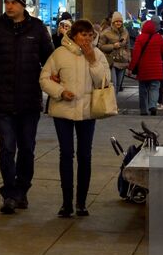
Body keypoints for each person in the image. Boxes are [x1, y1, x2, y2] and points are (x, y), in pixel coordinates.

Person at [0, 0, 54, 214]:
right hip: (4, 99)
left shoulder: (37, 29)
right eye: (7, 2)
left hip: (29, 100)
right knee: (7, 148)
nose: (9, 6)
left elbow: (50, 62)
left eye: (14, 2)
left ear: (22, 6)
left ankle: (22, 190)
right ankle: (9, 193)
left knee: (27, 148)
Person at [39, 18, 110, 217]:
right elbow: (44, 78)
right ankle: (66, 203)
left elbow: (104, 81)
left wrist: (92, 60)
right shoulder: (59, 54)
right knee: (66, 154)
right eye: (83, 35)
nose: (87, 39)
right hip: (63, 110)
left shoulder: (97, 54)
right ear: (74, 35)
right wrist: (60, 91)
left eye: (90, 35)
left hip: (88, 111)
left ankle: (81, 202)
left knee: (85, 155)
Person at [130, 18, 163, 116]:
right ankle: (153, 106)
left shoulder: (140, 38)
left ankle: (143, 110)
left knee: (143, 89)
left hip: (143, 69)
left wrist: (131, 68)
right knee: (154, 88)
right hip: (156, 69)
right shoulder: (159, 37)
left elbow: (136, 54)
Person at [96, 12, 130, 92]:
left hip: (122, 61)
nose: (118, 23)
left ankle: (114, 102)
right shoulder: (106, 32)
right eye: (116, 21)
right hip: (111, 61)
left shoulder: (125, 32)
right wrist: (113, 46)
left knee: (118, 85)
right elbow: (100, 46)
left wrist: (128, 57)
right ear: (113, 22)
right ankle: (113, 103)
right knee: (113, 84)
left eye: (120, 21)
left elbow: (127, 45)